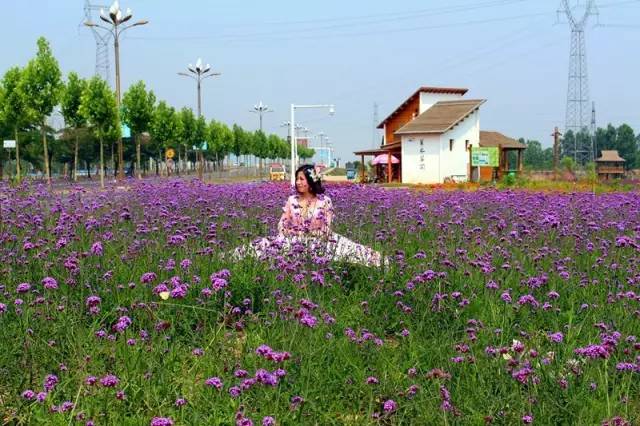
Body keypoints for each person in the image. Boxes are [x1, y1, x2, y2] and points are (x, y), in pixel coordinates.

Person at [233, 164, 387, 267]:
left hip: (319, 242)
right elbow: (282, 224)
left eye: (301, 179)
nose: (298, 182)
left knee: (352, 253)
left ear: (311, 181)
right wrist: (290, 232)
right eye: (297, 179)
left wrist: (308, 234)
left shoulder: (324, 201)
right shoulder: (291, 200)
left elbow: (326, 229)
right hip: (291, 241)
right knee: (259, 248)